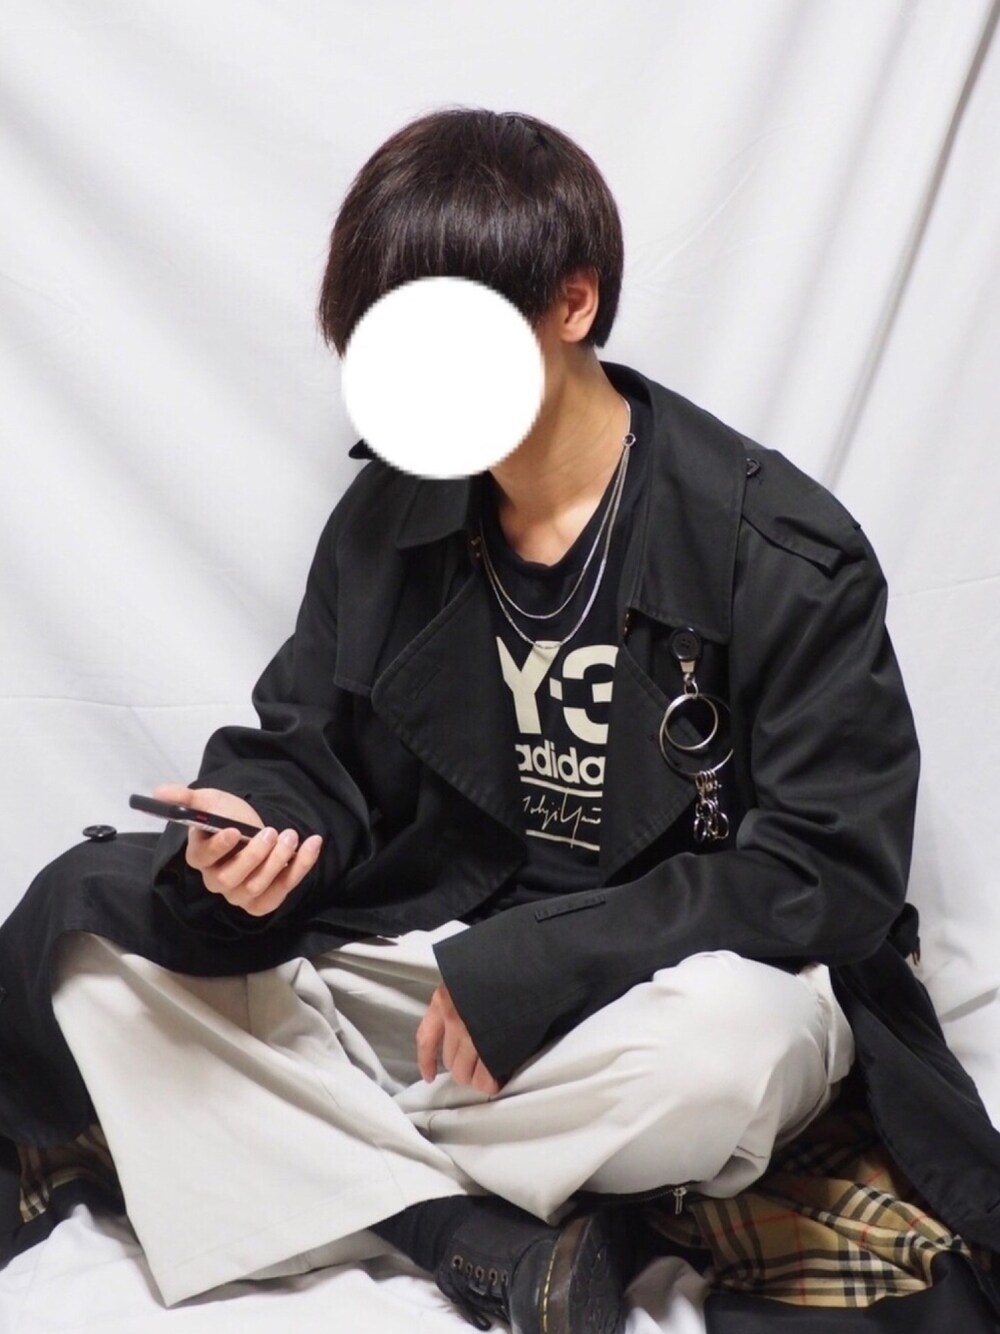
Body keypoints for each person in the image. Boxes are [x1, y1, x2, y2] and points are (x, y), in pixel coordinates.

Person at [2, 106, 998, 1334]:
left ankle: (273, 1143)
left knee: (723, 1058)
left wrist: (543, 962)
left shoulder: (776, 547)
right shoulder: (391, 516)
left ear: (574, 302)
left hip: (649, 991)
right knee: (95, 941)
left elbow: (829, 871)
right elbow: (312, 748)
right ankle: (465, 1235)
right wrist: (259, 829)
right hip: (429, 979)